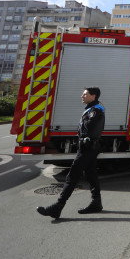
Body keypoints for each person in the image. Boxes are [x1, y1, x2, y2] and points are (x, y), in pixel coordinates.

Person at [37, 87, 105, 219]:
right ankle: (96, 203)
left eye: (85, 94)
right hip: (88, 147)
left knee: (72, 176)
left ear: (94, 96)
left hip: (88, 147)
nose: (82, 96)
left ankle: (58, 206)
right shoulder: (92, 109)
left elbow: (91, 128)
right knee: (91, 174)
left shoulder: (96, 110)